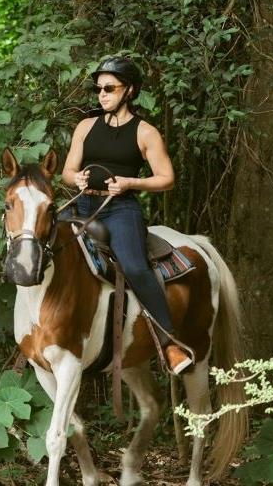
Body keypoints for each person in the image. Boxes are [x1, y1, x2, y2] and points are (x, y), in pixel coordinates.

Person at [61, 56, 192, 375]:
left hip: (120, 209)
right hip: (82, 205)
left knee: (135, 266)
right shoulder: (85, 126)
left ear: (129, 90)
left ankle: (169, 343)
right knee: (44, 247)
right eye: (98, 89)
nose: (102, 94)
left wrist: (131, 182)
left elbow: (166, 177)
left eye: (109, 88)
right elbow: (67, 170)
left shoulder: (145, 132)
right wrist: (74, 179)